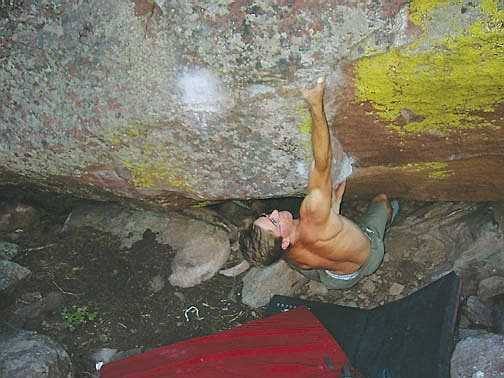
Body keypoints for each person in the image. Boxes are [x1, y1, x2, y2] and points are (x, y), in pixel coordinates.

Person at [239, 78, 399, 289]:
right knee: (384, 201)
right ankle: (392, 215)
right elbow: (322, 162)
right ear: (284, 241)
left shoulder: (285, 253)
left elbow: (313, 247)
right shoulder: (313, 212)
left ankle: (337, 220)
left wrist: (333, 210)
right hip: (369, 260)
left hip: (335, 280)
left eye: (268, 216)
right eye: (275, 222)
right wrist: (315, 103)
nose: (275, 212)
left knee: (316, 260)